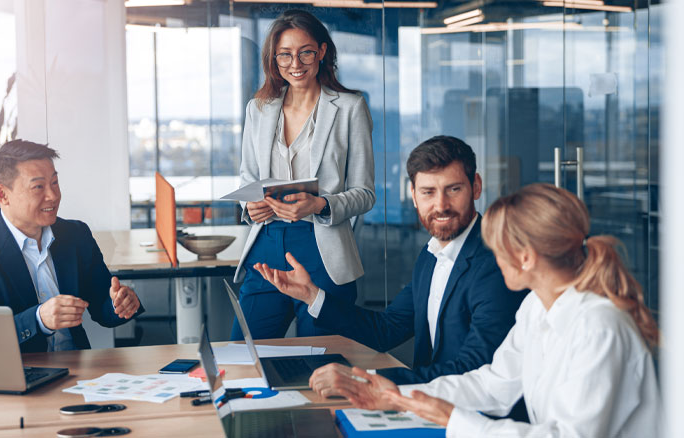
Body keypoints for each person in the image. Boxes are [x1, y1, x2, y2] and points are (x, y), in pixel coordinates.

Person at [332, 184, 661, 437]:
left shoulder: (599, 326)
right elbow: (492, 384)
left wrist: (453, 419)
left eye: (497, 247)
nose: (492, 258)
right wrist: (400, 396)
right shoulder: (537, 305)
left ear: (527, 257)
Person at [256, 136, 527, 391]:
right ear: (413, 194)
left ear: (476, 186)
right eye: (428, 192)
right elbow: (387, 330)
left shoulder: (496, 264)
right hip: (431, 402)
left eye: (453, 189)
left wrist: (365, 381)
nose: (441, 205)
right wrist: (311, 295)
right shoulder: (432, 254)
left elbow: (474, 370)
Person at [231, 9, 375, 340]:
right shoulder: (259, 108)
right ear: (274, 58)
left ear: (322, 52)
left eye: (305, 52)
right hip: (266, 248)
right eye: (285, 55)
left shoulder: (350, 108)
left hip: (323, 253)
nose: (295, 63)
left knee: (322, 360)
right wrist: (250, 206)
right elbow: (247, 178)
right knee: (245, 355)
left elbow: (364, 193)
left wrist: (319, 205)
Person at [0, 140, 144, 353]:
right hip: (17, 375)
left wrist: (120, 304)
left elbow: (102, 305)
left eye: (55, 182)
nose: (53, 195)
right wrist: (39, 319)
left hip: (78, 369)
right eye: (38, 187)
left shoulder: (76, 236)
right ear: (3, 195)